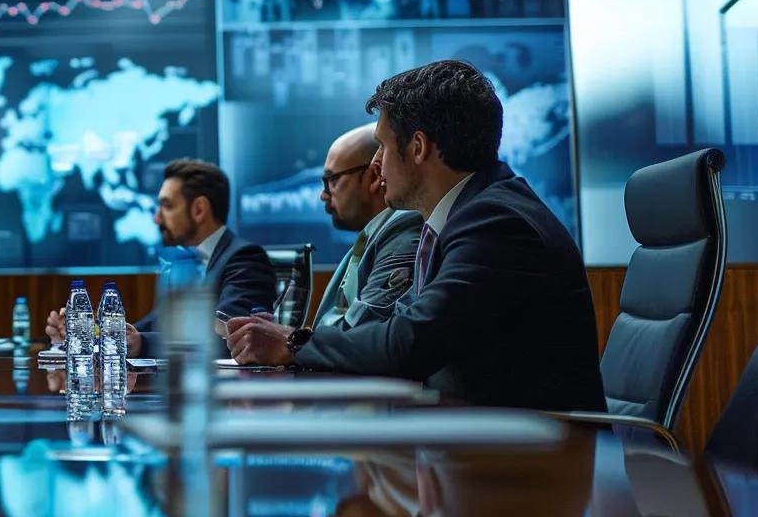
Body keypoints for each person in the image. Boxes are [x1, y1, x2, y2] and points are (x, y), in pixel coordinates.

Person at [228, 59, 606, 412]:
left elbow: (408, 345)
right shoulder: (469, 214)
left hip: (534, 459)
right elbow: (395, 329)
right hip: (481, 440)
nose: (375, 164)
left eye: (383, 146)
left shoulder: (495, 223)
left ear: (419, 148)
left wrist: (292, 343)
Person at [44, 158, 277, 358]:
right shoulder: (184, 263)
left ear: (198, 209)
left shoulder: (245, 259)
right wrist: (93, 333)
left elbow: (230, 335)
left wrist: (141, 343)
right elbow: (152, 326)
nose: (157, 219)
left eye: (166, 206)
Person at [315, 124, 423, 330]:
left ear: (373, 177)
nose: (324, 194)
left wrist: (293, 341)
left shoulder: (405, 230)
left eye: (332, 179)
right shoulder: (374, 236)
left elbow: (363, 329)